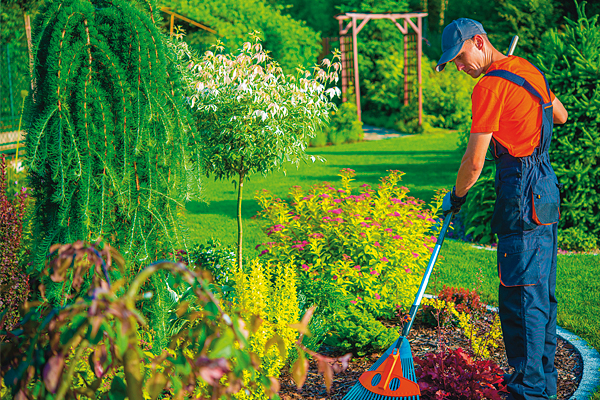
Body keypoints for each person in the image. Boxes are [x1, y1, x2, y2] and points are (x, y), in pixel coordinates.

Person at [437, 18, 568, 400]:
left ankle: (528, 393)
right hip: (545, 185)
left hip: (520, 191)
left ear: (480, 42)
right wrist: (518, 90)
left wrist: (458, 197)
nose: (461, 69)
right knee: (540, 290)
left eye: (461, 58)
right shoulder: (525, 69)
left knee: (520, 297)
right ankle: (543, 384)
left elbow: (474, 163)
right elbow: (558, 115)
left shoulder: (490, 87)